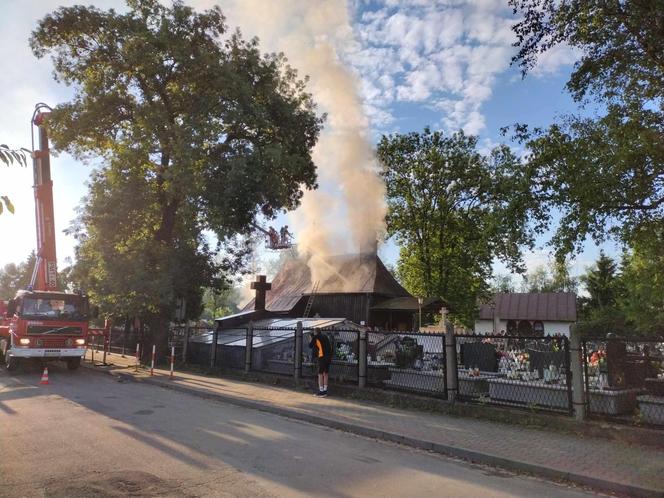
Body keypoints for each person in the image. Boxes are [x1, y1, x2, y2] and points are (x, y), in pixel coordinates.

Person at [309, 328, 332, 397]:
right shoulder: (325, 336)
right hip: (328, 357)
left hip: (322, 357)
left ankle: (321, 391)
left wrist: (311, 338)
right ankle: (325, 391)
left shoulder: (316, 337)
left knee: (320, 374)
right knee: (326, 373)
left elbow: (310, 346)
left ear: (315, 332)